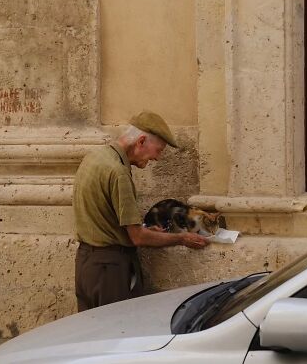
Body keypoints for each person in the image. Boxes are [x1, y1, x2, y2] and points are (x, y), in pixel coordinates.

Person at [73, 110, 209, 311]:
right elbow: (137, 237)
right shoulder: (118, 172)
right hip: (110, 270)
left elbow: (106, 219)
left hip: (86, 265)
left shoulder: (95, 157)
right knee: (117, 336)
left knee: (93, 339)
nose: (157, 158)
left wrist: (148, 230)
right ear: (141, 141)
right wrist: (182, 238)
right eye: (159, 150)